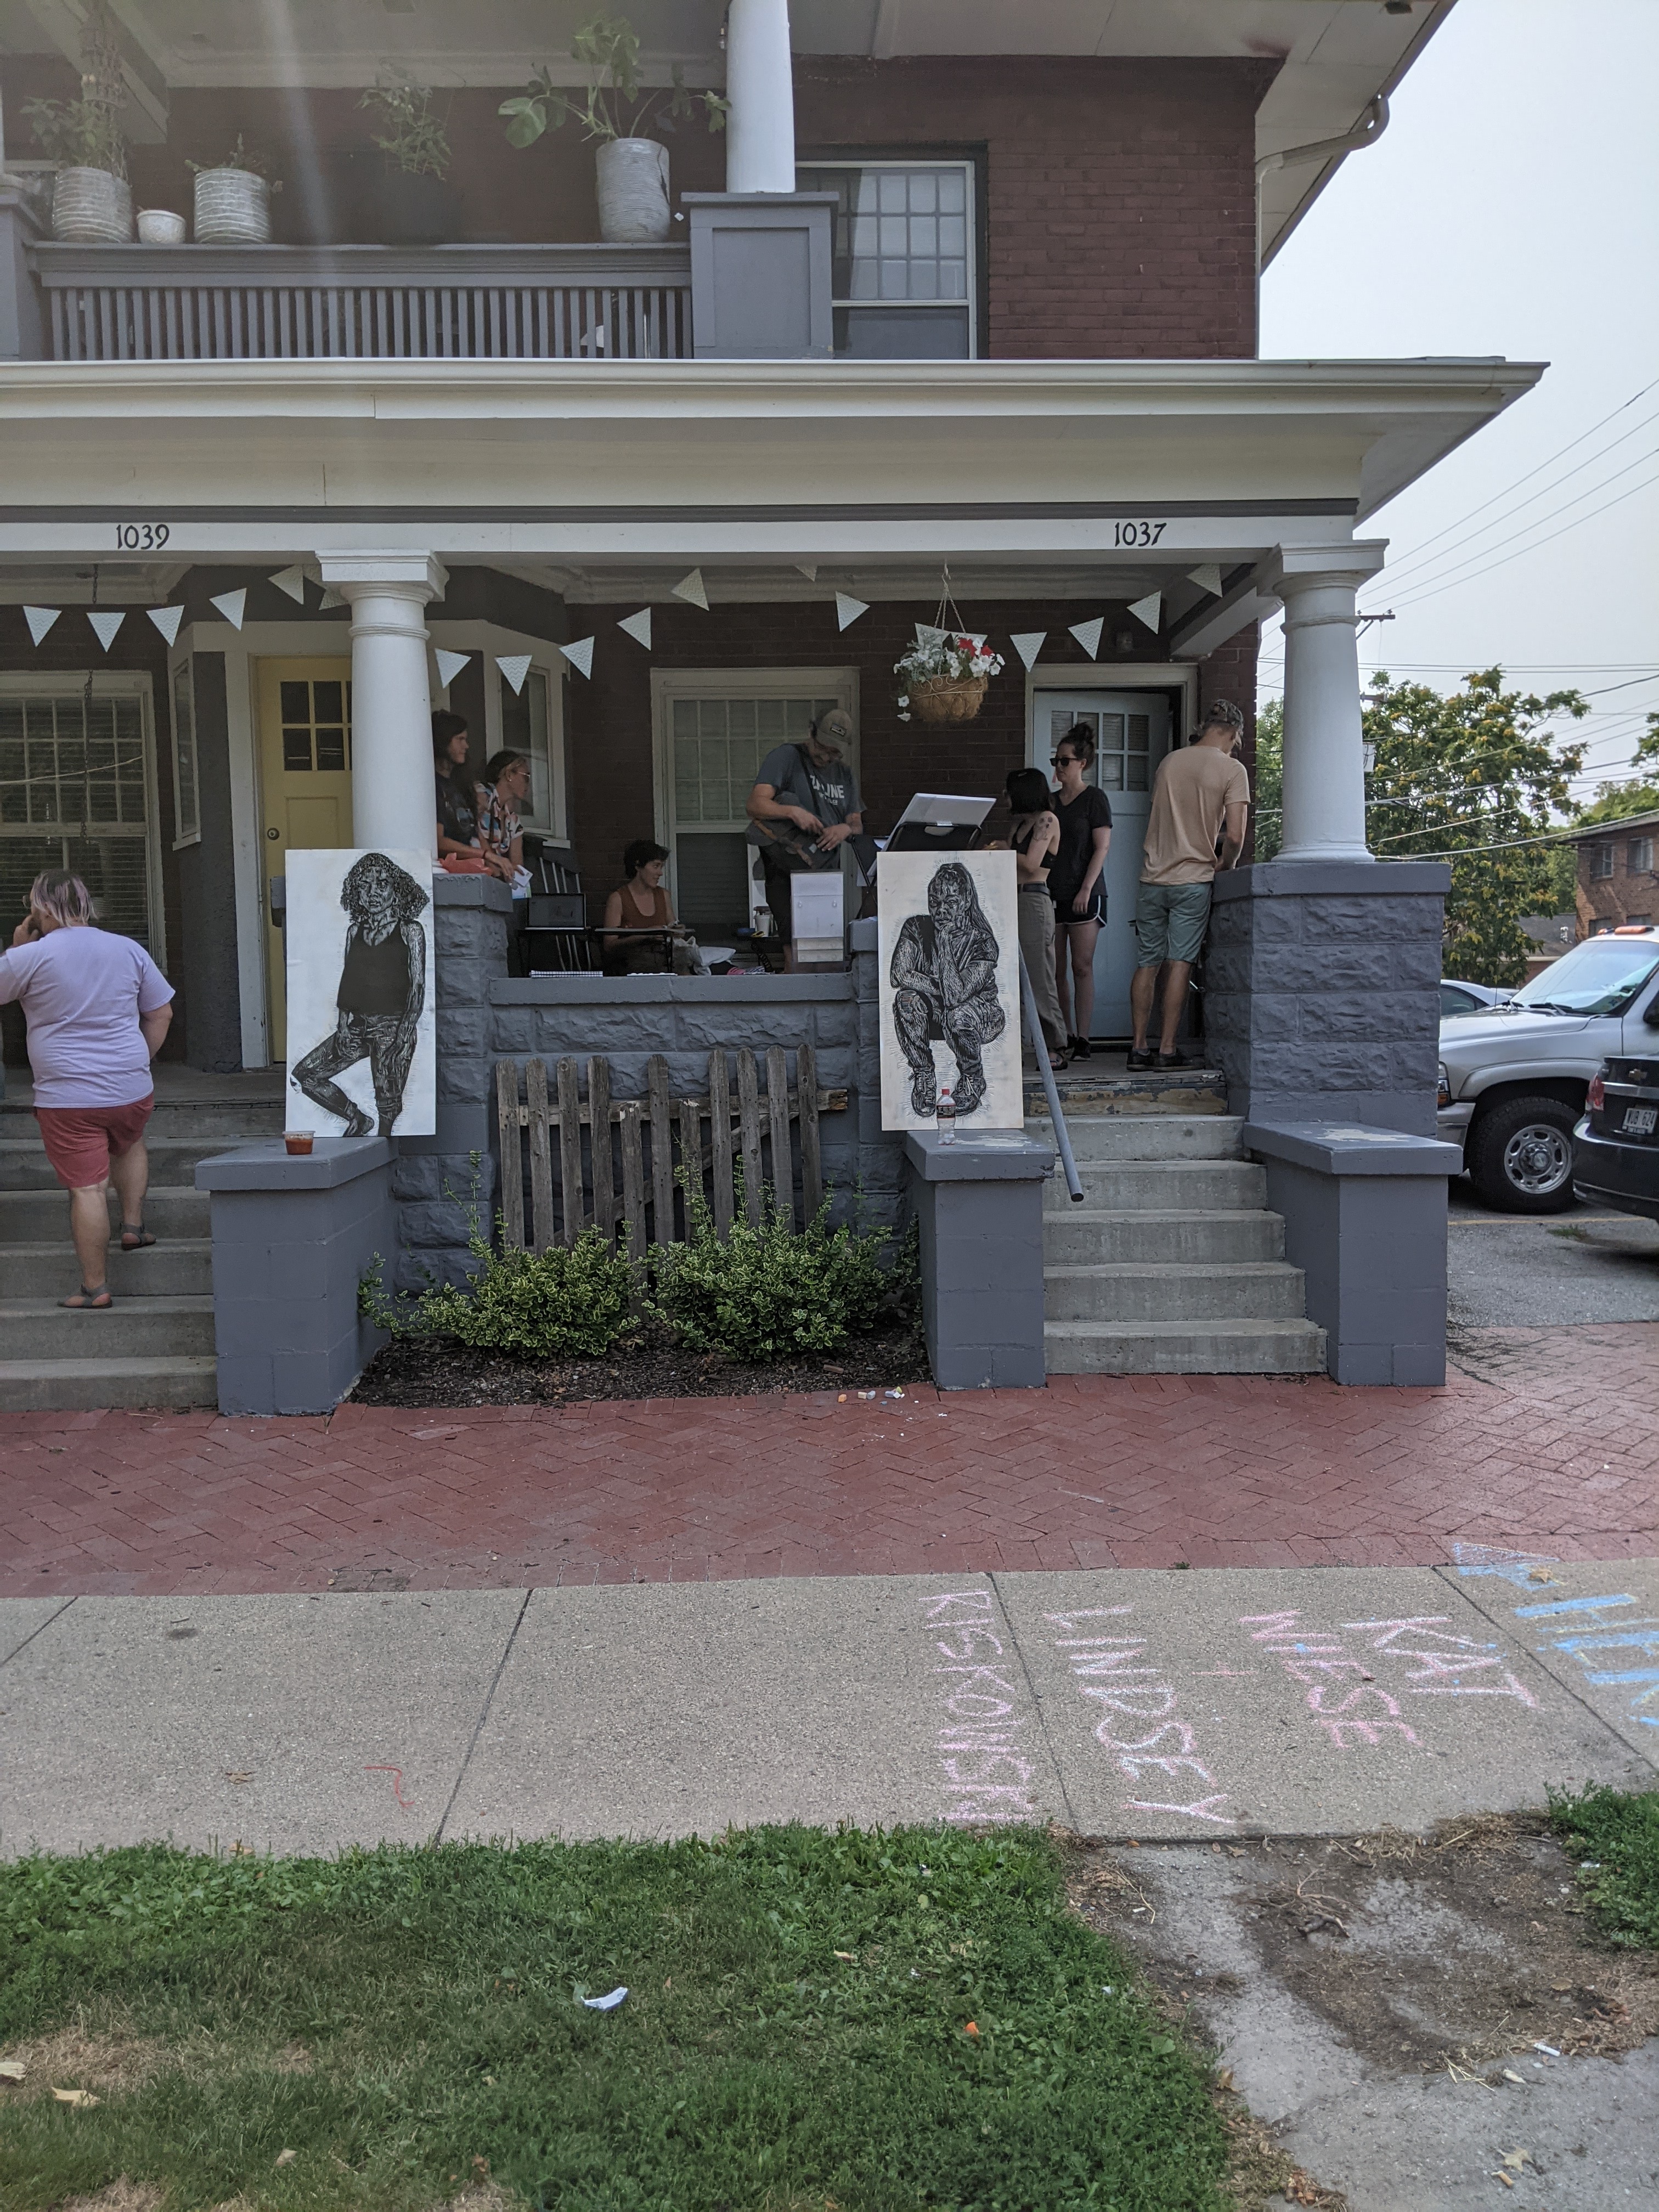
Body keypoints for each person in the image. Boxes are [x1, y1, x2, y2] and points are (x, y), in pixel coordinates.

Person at [0, 871, 173, 1309]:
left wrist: (18, 951)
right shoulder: (128, 948)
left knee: (88, 1190)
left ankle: (95, 1286)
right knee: (130, 1142)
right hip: (129, 1087)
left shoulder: (31, 956)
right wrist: (140, 1060)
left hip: (67, 1097)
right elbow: (162, 1014)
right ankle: (133, 1226)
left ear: (40, 909)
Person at [1128, 699, 1251, 1070]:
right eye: (1237, 741)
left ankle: (1137, 1048)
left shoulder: (1170, 762)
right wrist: (1224, 866)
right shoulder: (1232, 769)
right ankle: (1166, 1049)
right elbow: (1235, 834)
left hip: (1153, 877)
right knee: (1179, 963)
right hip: (1193, 879)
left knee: (1147, 963)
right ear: (1232, 733)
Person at [291, 853, 428, 1136]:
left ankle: (384, 1141)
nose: (373, 892)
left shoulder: (410, 931)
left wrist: (403, 1035)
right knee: (305, 1075)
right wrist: (343, 1024)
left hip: (392, 1026)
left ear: (397, 889)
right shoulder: (355, 931)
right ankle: (356, 1118)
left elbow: (417, 987)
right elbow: (349, 979)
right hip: (356, 1025)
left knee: (387, 1101)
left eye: (381, 884)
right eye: (365, 885)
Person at [889, 860, 1006, 1116]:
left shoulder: (983, 942)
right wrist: (937, 987)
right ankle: (923, 1074)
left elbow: (956, 997)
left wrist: (944, 941)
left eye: (950, 903)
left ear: (965, 903)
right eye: (935, 902)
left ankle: (973, 1077)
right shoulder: (916, 927)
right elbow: (898, 975)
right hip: (937, 1015)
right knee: (905, 1000)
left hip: (982, 1017)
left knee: (958, 1013)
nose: (940, 911)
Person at [744, 707, 866, 941]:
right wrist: (792, 812)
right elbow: (754, 804)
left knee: (824, 947)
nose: (825, 757)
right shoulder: (787, 757)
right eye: (821, 748)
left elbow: (857, 824)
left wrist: (844, 829)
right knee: (794, 944)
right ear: (811, 733)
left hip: (825, 870)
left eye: (834, 753)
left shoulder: (845, 775)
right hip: (786, 866)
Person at [1047, 724, 1113, 1058]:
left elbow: (1101, 848)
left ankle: (1084, 1038)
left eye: (1064, 761)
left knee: (1081, 966)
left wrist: (1086, 888)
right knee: (1056, 968)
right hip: (1052, 892)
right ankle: (1065, 1034)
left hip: (1085, 891)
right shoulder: (1051, 802)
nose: (1058, 767)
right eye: (1055, 761)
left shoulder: (1094, 799)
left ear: (1082, 763)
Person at [1002, 766, 1069, 1066]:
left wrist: (1000, 851)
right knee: (1008, 976)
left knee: (1039, 974)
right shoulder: (1018, 824)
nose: (1005, 797)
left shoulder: (1047, 820)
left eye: (1010, 791)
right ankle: (1014, 1043)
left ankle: (1055, 1045)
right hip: (1010, 899)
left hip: (1033, 899)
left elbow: (1031, 864)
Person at [601, 840, 693, 975]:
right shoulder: (618, 898)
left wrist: (677, 931)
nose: (660, 873)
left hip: (667, 965)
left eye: (661, 867)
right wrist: (645, 935)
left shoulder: (664, 895)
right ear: (638, 866)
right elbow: (609, 945)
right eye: (656, 866)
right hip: (633, 968)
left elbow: (672, 928)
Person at [433, 709, 489, 869]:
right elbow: (438, 841)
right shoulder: (433, 786)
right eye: (460, 739)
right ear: (443, 741)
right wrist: (485, 855)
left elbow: (474, 833)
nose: (466, 746)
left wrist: (495, 863)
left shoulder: (461, 785)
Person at [475, 748, 532, 891]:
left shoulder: (513, 821)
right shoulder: (483, 795)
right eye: (526, 777)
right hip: (472, 878)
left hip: (492, 884)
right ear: (509, 775)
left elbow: (518, 868)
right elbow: (468, 829)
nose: (528, 784)